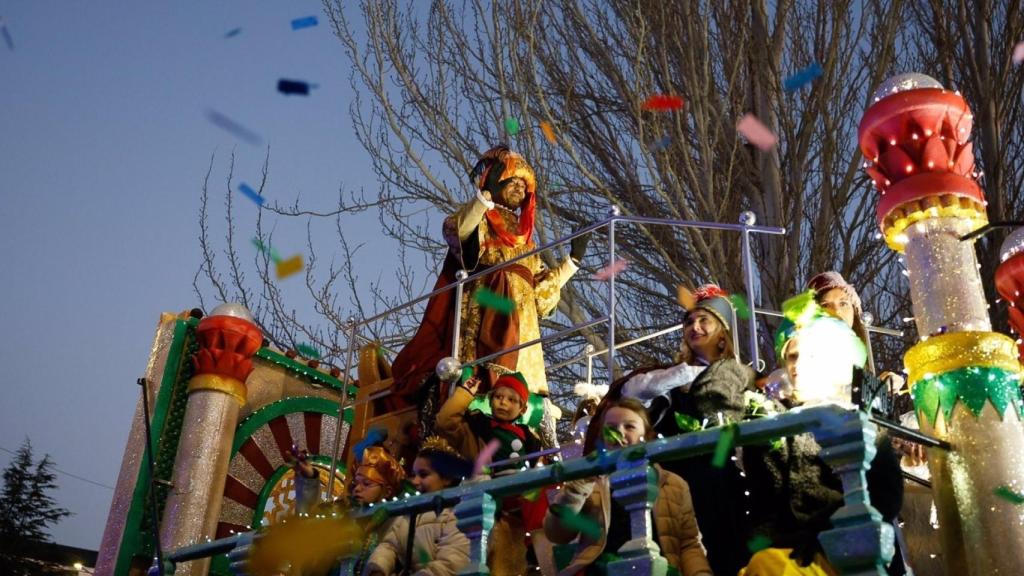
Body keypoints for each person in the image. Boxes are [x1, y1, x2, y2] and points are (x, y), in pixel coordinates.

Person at [388, 146, 588, 441]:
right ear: (495, 182)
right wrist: (483, 200)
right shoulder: (481, 218)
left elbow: (543, 295)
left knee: (527, 393)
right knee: (483, 381)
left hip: (524, 327)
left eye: (524, 186)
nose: (519, 189)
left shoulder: (527, 243)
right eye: (513, 182)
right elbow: (459, 232)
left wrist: (572, 262)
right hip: (487, 312)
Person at [594, 285, 756, 576]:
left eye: (704, 320)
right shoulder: (669, 378)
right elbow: (631, 393)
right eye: (689, 322)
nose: (694, 327)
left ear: (722, 331)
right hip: (681, 486)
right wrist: (687, 373)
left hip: (726, 484)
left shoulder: (741, 378)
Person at [740, 309, 904, 575]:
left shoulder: (858, 416)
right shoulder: (776, 421)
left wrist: (825, 534)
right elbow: (765, 501)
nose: (798, 363)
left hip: (850, 546)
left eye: (810, 354)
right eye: (792, 356)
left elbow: (886, 494)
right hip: (787, 553)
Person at [544, 397, 713, 576]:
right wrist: (577, 488)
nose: (620, 433)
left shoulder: (673, 485)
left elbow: (689, 544)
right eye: (611, 428)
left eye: (630, 426)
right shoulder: (590, 483)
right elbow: (558, 534)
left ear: (647, 436)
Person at [435, 372, 544, 576]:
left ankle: (539, 554)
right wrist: (465, 393)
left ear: (522, 408)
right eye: (498, 397)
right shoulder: (477, 428)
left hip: (518, 512)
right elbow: (445, 422)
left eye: (512, 400)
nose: (503, 403)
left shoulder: (531, 440)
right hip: (488, 502)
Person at [364, 437, 472, 576]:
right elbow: (389, 545)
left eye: (423, 474)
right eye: (414, 474)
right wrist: (378, 568)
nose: (415, 481)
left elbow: (451, 562)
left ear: (447, 478)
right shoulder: (409, 514)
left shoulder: (458, 513)